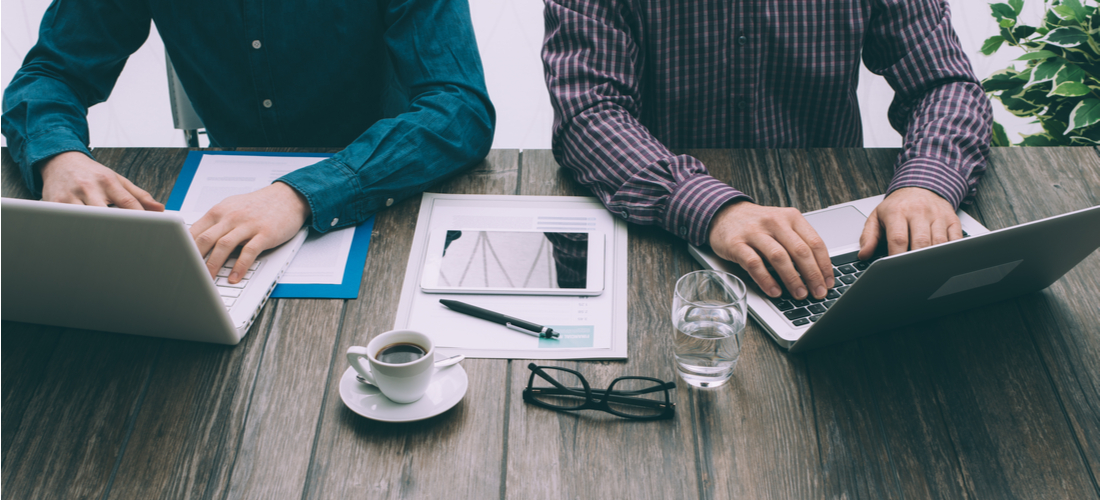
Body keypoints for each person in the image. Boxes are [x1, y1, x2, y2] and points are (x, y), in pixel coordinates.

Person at [3, 0, 495, 284]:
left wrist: (300, 194)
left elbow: (459, 109)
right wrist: (59, 155)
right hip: (223, 207)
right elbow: (51, 71)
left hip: (391, 196)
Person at [542, 0, 992, 301]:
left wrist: (926, 183)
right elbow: (588, 112)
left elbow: (944, 83)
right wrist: (713, 209)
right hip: (654, 232)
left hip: (832, 231)